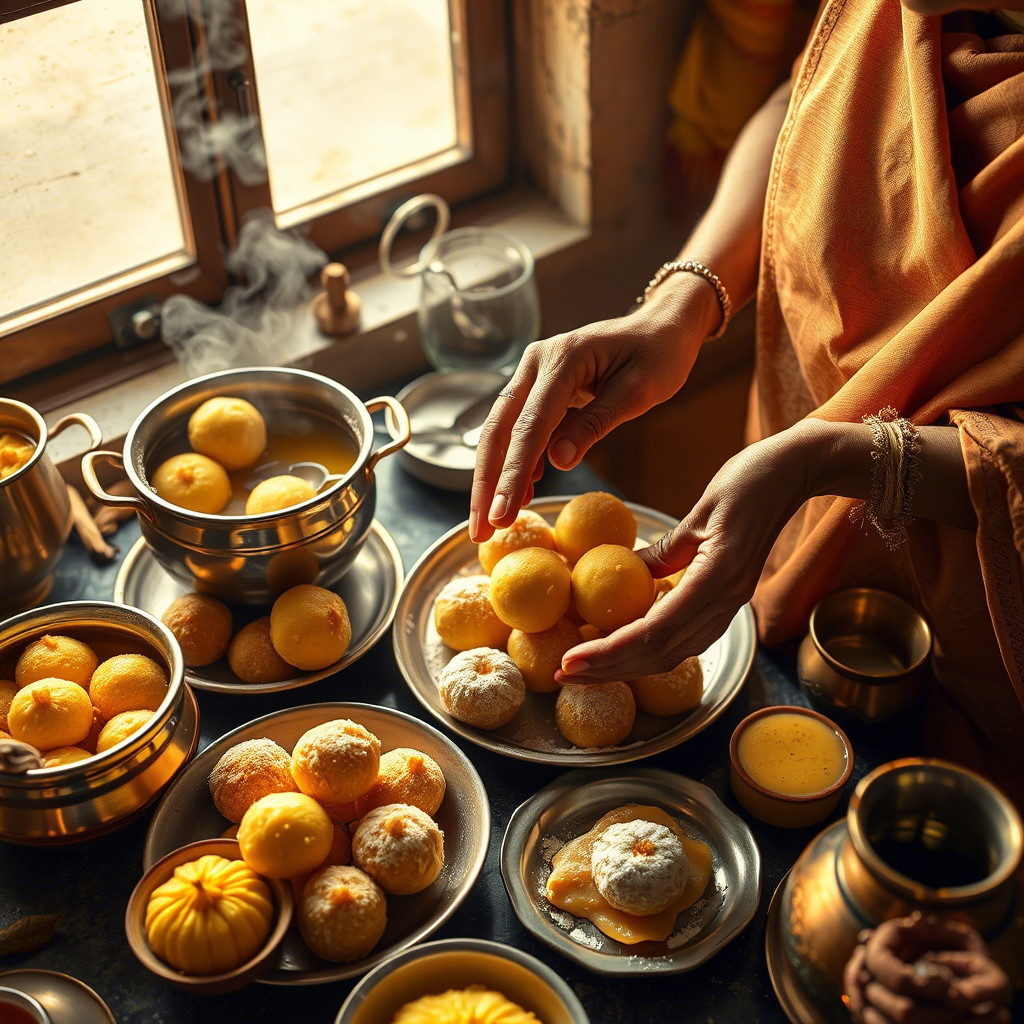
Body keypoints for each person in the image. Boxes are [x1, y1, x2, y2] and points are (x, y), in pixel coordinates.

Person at [469, 0, 1024, 806]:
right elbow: (814, 95)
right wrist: (680, 306)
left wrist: (824, 458)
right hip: (788, 510)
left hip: (982, 620)